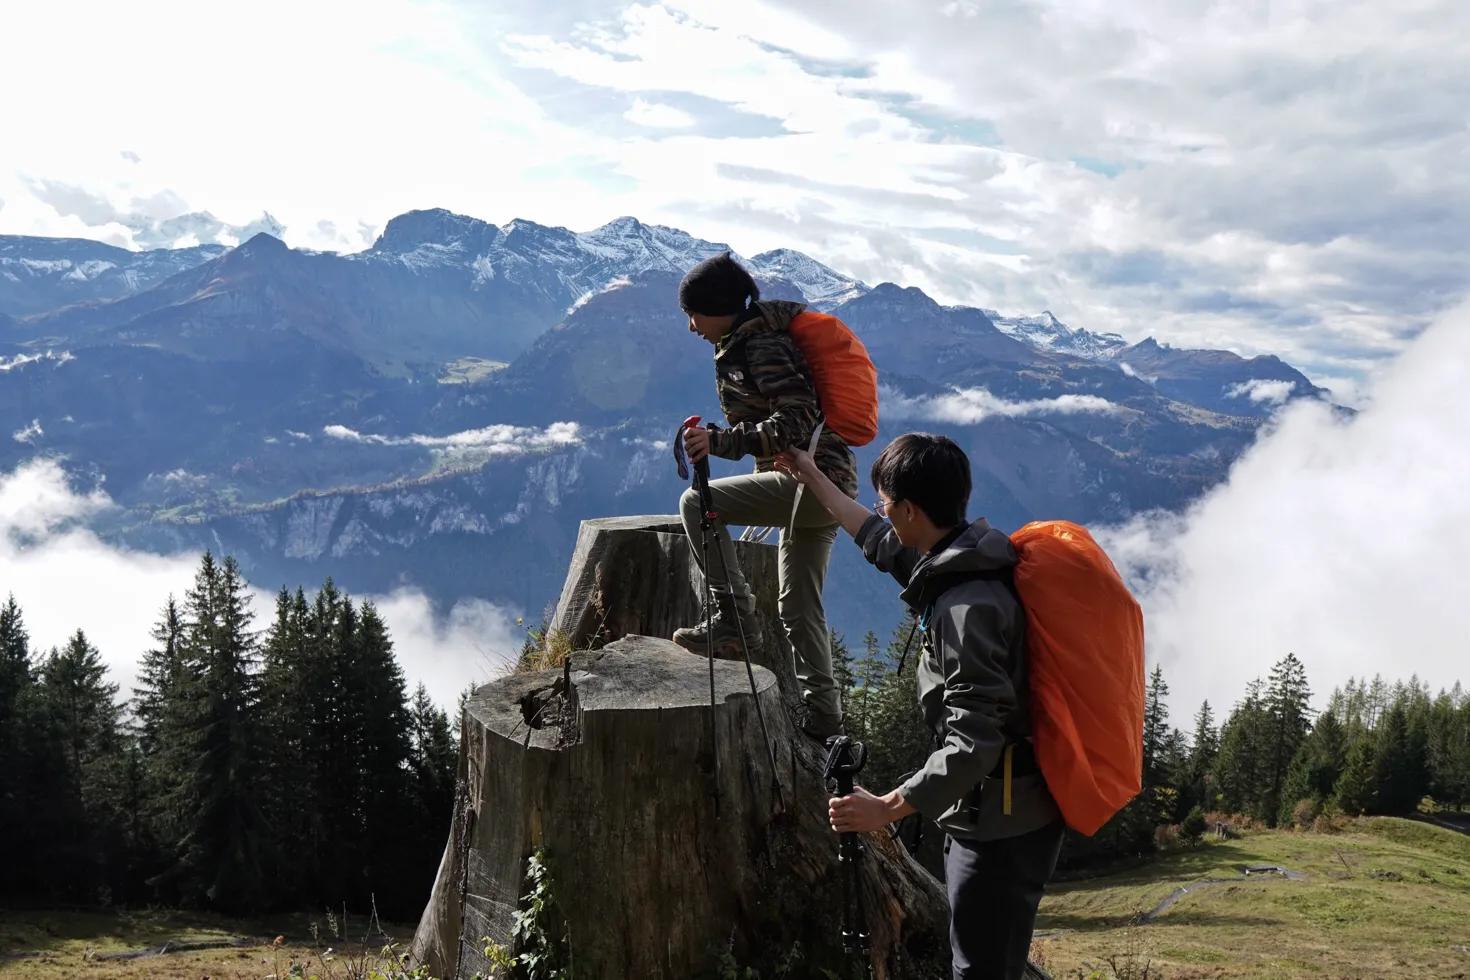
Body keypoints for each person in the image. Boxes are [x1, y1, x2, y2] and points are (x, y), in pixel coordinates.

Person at [775, 434, 1064, 980]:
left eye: (887, 501)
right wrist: (812, 476)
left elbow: (975, 741)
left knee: (981, 969)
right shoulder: (952, 560)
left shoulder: (967, 608)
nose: (882, 511)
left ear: (911, 510)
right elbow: (874, 536)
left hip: (1004, 824)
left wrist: (886, 806)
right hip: (990, 809)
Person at [673, 252, 857, 741]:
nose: (691, 327)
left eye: (693, 314)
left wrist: (720, 442)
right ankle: (824, 719)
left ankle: (731, 616)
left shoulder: (761, 346)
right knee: (798, 609)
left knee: (695, 504)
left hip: (807, 487)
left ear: (717, 308)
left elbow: (794, 420)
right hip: (827, 490)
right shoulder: (753, 340)